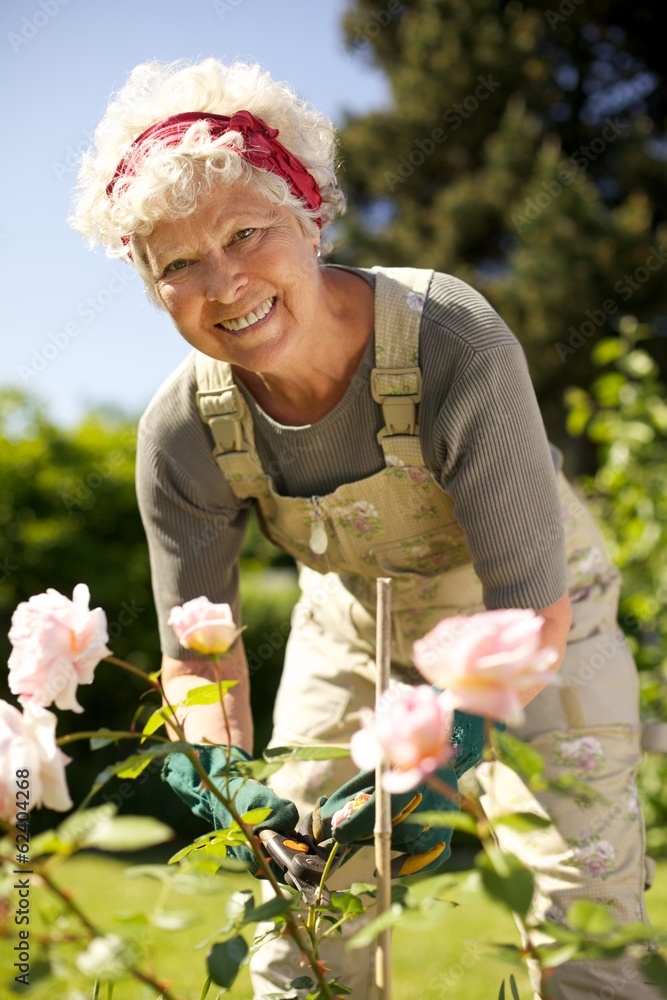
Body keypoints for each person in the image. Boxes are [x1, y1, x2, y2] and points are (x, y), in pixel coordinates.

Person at [71, 58, 659, 1000]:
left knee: (582, 912)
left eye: (246, 232)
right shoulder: (182, 435)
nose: (223, 284)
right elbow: (200, 652)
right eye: (177, 263)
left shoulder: (448, 342)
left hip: (541, 622)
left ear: (310, 215)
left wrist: (447, 751)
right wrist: (222, 776)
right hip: (356, 625)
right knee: (297, 908)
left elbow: (527, 610)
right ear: (149, 285)